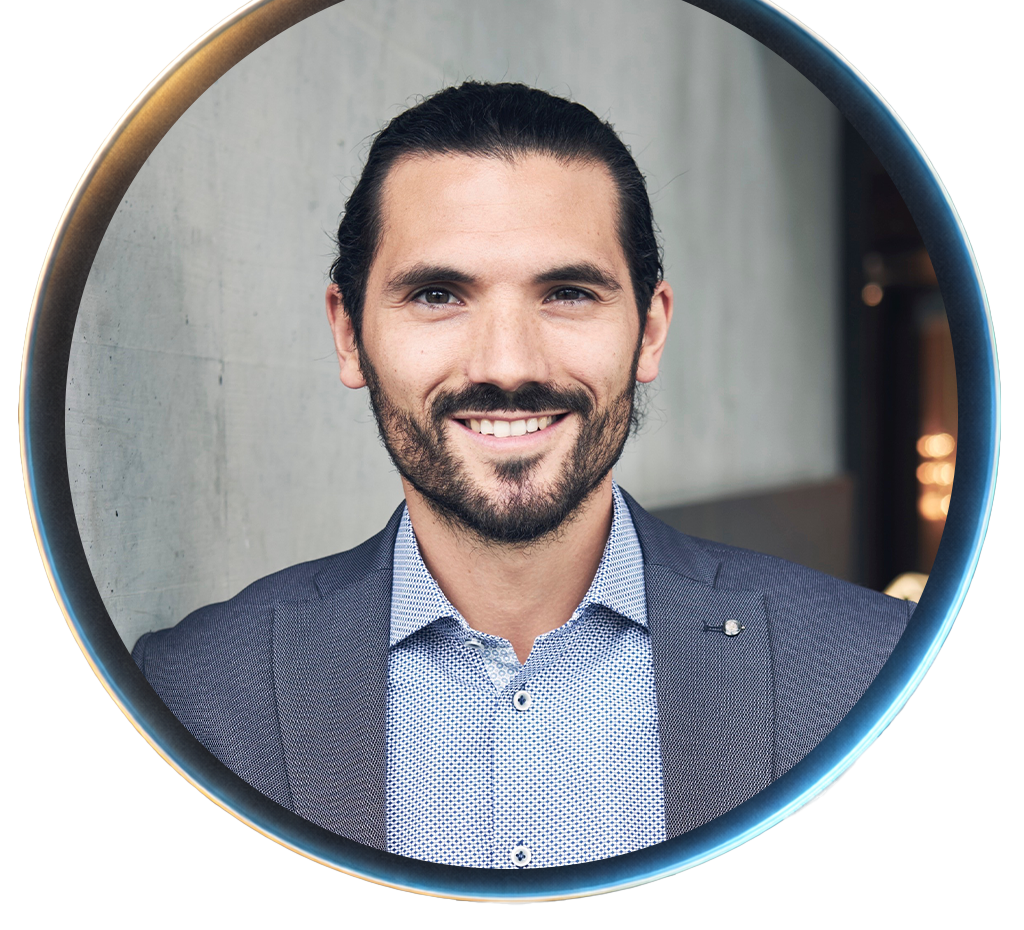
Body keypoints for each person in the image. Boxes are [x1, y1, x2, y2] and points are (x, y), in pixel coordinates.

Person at [133, 82, 914, 870]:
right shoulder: (189, 696)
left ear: (648, 332)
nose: (507, 365)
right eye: (438, 295)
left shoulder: (873, 672)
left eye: (568, 293)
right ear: (348, 333)